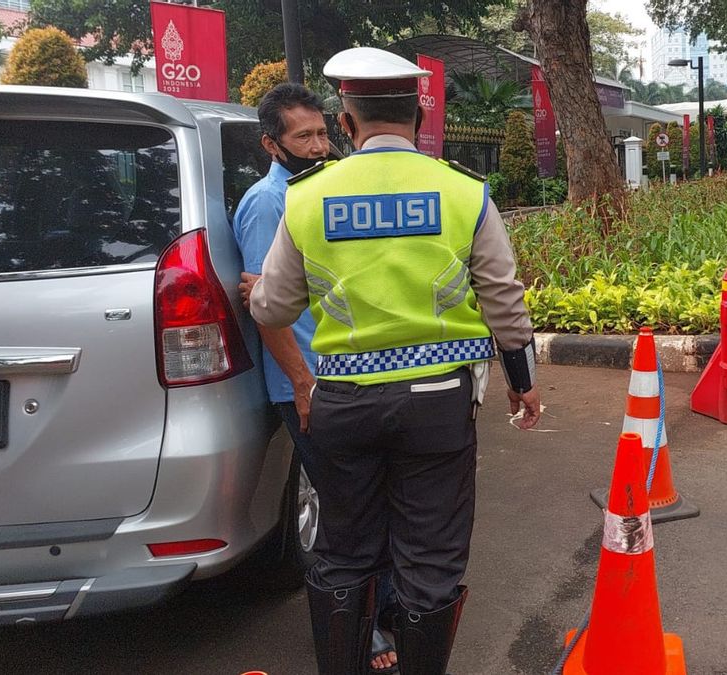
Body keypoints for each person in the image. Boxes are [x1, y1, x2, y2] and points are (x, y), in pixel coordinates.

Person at [245, 46, 542, 675]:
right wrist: (521, 383)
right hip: (438, 405)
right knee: (430, 558)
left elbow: (271, 309)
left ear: (347, 122)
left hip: (342, 406)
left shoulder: (306, 198)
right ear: (418, 113)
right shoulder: (463, 192)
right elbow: (504, 301)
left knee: (344, 553)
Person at [231, 83, 398, 675]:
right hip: (307, 383)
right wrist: (302, 384)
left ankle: (382, 612)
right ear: (271, 145)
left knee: (367, 504)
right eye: (303, 136)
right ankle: (364, 631)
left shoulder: (323, 194)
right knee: (346, 514)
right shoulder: (268, 204)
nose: (320, 145)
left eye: (323, 132)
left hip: (345, 376)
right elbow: (263, 307)